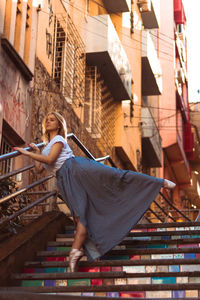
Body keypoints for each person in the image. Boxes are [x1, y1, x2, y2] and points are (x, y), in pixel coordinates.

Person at [14, 111, 176, 272]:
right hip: (64, 180)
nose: (48, 122)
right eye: (46, 120)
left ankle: (158, 182)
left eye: (52, 120)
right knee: (81, 215)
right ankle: (76, 252)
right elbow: (38, 170)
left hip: (76, 170)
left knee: (115, 176)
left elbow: (50, 160)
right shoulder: (46, 147)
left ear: (59, 124)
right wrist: (35, 152)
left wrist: (26, 152)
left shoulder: (58, 139)